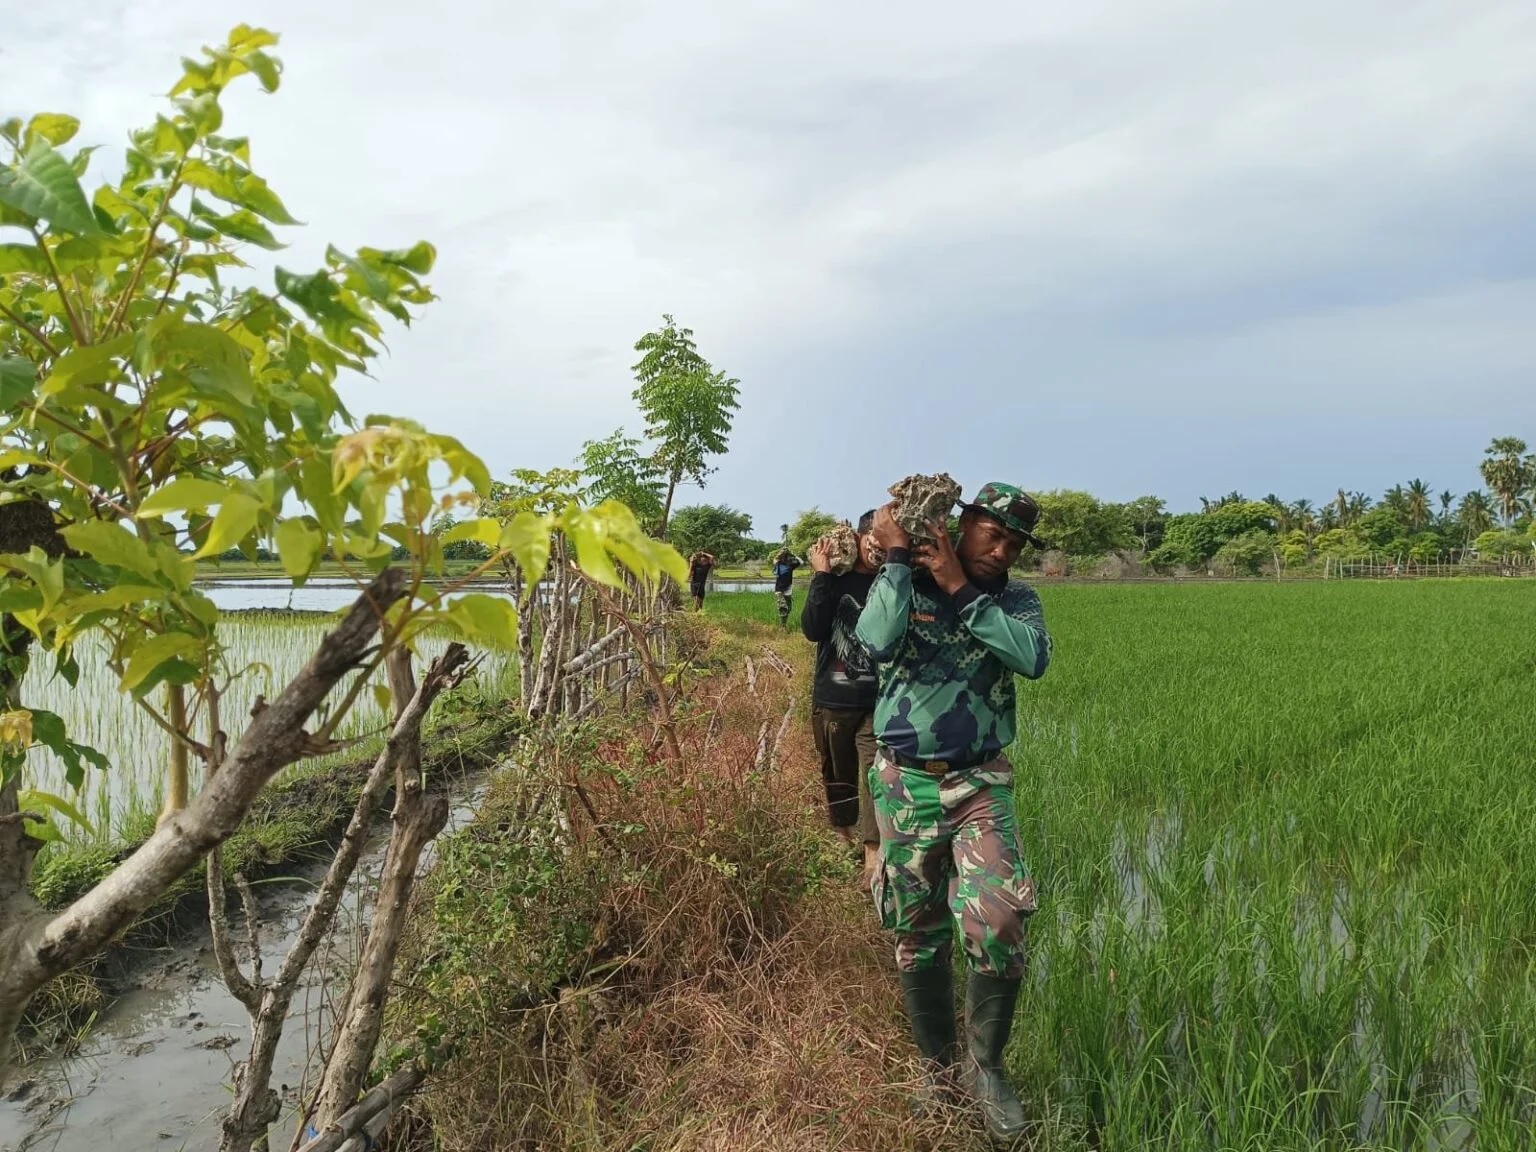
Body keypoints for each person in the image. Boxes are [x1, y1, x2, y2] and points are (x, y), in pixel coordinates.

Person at [856, 481, 1051, 1143]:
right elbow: (875, 642)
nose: (1002, 551)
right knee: (917, 928)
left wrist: (962, 586)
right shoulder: (904, 582)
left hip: (980, 782)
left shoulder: (1014, 600)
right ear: (962, 522)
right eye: (992, 534)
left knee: (998, 916)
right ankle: (936, 1069)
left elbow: (1032, 660)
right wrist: (896, 561)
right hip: (905, 783)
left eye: (1014, 543)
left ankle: (987, 1067)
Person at [799, 511, 884, 881]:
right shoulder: (835, 579)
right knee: (838, 771)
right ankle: (843, 834)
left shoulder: (892, 581)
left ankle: (872, 852)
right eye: (874, 540)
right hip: (833, 697)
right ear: (861, 537)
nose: (879, 547)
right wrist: (820, 574)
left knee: (875, 775)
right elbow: (813, 629)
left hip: (878, 699)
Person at [771, 547, 803, 630]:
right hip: (779, 589)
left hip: (788, 588)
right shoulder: (778, 563)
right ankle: (782, 627)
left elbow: (801, 562)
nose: (785, 557)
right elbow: (775, 558)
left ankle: (784, 624)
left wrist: (793, 554)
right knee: (783, 607)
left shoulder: (791, 564)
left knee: (789, 608)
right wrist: (781, 551)